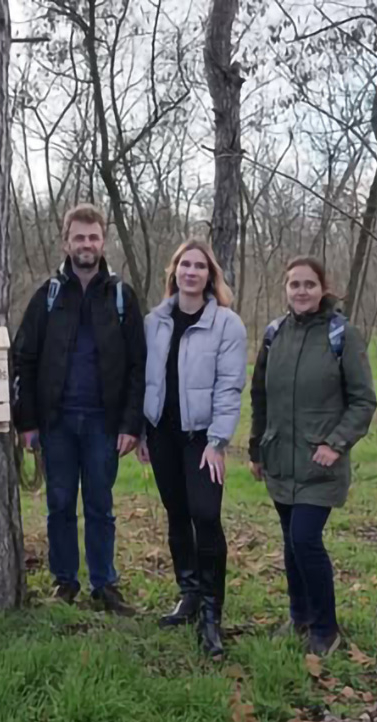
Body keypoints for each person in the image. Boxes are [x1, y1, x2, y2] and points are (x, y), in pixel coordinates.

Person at [12, 204, 146, 615]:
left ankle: (104, 584)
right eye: (78, 237)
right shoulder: (47, 296)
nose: (86, 245)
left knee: (100, 506)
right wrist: (27, 422)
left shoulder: (122, 297)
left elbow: (139, 366)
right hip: (56, 423)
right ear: (65, 242)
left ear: (103, 242)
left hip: (104, 424)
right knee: (60, 503)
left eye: (93, 237)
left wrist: (131, 424)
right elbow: (24, 359)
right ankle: (65, 580)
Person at [249, 256, 377, 656]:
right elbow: (260, 397)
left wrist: (335, 443)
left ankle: (326, 628)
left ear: (323, 289)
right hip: (279, 460)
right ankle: (299, 616)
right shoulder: (274, 335)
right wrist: (256, 447)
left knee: (305, 539)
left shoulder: (343, 335)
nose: (301, 291)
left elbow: (363, 401)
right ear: (284, 289)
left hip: (320, 464)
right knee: (290, 542)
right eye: (294, 285)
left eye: (309, 284)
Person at [138, 240, 246, 657]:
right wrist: (143, 432)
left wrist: (218, 442)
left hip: (202, 439)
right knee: (177, 514)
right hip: (162, 435)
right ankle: (189, 593)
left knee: (206, 515)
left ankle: (212, 614)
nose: (191, 272)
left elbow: (230, 386)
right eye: (185, 264)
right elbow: (145, 380)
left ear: (210, 276)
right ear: (174, 271)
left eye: (200, 266)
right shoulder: (155, 322)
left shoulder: (227, 325)